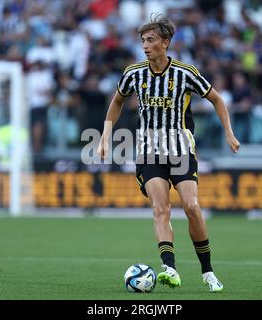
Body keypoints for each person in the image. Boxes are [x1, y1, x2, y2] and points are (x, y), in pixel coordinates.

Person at [97, 14, 240, 293]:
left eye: (150, 40)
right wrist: (105, 137)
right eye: (142, 41)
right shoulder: (133, 73)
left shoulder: (185, 73)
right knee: (160, 208)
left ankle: (208, 272)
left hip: (181, 151)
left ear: (165, 42)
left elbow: (216, 99)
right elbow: (116, 102)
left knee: (192, 207)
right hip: (149, 154)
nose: (145, 46)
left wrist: (229, 132)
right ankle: (169, 268)